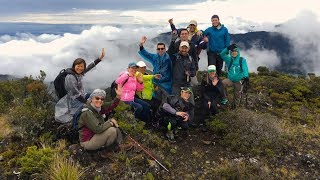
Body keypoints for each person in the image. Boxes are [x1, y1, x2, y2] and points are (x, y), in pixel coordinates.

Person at [55, 48, 105, 123]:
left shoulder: (77, 73)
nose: (80, 68)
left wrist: (99, 59)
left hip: (81, 95)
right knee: (84, 110)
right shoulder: (70, 77)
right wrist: (86, 102)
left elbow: (88, 67)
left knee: (97, 97)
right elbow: (75, 94)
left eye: (82, 66)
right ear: (74, 66)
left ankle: (100, 112)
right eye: (78, 66)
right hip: (73, 100)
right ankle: (76, 125)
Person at [167, 41, 197, 127]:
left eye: (185, 48)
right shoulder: (175, 57)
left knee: (191, 104)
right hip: (176, 85)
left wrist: (190, 73)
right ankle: (177, 123)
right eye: (182, 47)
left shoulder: (190, 59)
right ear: (179, 48)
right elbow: (169, 52)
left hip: (186, 85)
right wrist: (172, 41)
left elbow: (194, 72)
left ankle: (190, 121)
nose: (184, 49)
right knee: (175, 104)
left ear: (188, 49)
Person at [220, 44, 249, 108]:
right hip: (230, 79)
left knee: (237, 95)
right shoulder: (228, 59)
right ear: (230, 52)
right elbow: (222, 54)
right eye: (232, 51)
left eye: (236, 51)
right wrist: (227, 48)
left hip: (239, 80)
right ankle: (225, 99)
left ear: (238, 52)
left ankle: (235, 107)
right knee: (222, 84)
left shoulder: (242, 60)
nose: (234, 53)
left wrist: (246, 76)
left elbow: (245, 68)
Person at [200, 65, 227, 132]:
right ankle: (204, 124)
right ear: (208, 72)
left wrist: (216, 85)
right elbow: (203, 92)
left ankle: (215, 123)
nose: (212, 72)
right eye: (210, 71)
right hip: (207, 97)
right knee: (206, 106)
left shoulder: (218, 80)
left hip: (216, 97)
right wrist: (208, 100)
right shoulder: (204, 80)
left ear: (215, 72)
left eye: (213, 71)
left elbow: (221, 92)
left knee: (214, 106)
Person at [135, 61, 162, 126]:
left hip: (149, 96)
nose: (143, 69)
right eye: (141, 67)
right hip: (142, 97)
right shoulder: (136, 75)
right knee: (149, 106)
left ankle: (153, 118)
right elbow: (143, 77)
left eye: (144, 67)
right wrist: (153, 76)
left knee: (158, 102)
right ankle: (146, 121)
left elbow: (150, 85)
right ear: (137, 68)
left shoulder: (147, 75)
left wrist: (154, 88)